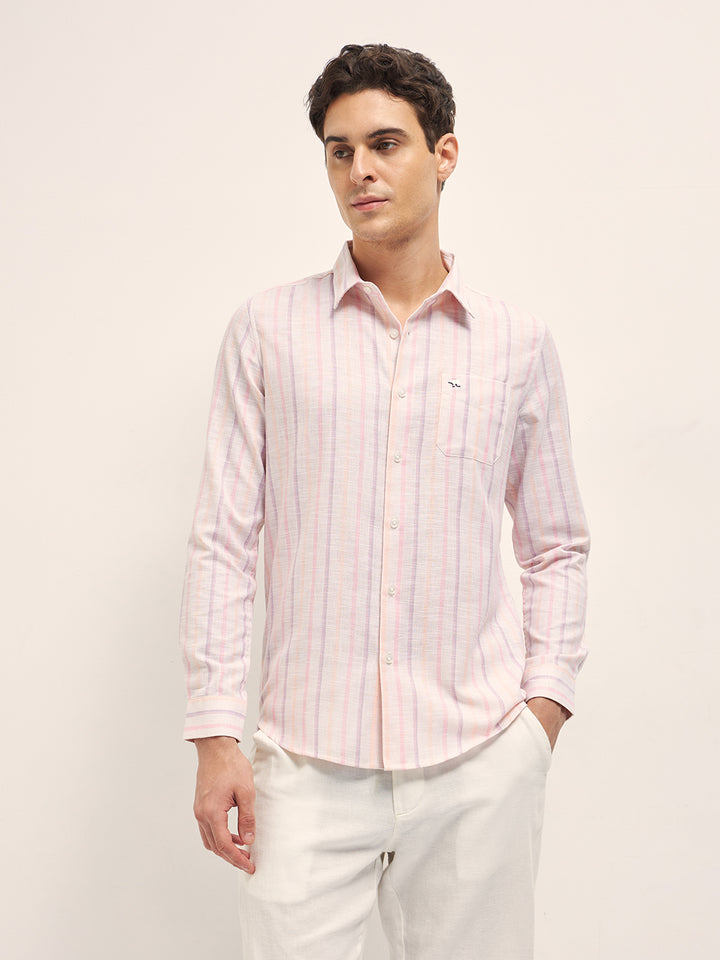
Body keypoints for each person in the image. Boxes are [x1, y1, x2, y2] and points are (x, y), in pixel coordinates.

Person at [180, 42, 589, 960]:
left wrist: (543, 713)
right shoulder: (267, 331)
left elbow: (556, 543)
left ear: (444, 155)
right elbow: (224, 541)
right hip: (306, 765)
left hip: (478, 758)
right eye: (340, 150)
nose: (359, 168)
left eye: (385, 143)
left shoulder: (517, 344)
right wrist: (214, 735)